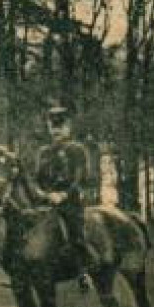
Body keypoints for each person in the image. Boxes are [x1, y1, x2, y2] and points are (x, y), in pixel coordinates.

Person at [34, 103, 95, 282]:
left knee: (74, 231)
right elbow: (37, 180)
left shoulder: (77, 150)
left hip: (70, 201)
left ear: (68, 127)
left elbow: (80, 177)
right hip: (46, 202)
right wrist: (44, 194)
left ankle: (83, 271)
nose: (56, 130)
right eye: (53, 126)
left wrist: (64, 195)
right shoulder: (43, 152)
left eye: (60, 126)